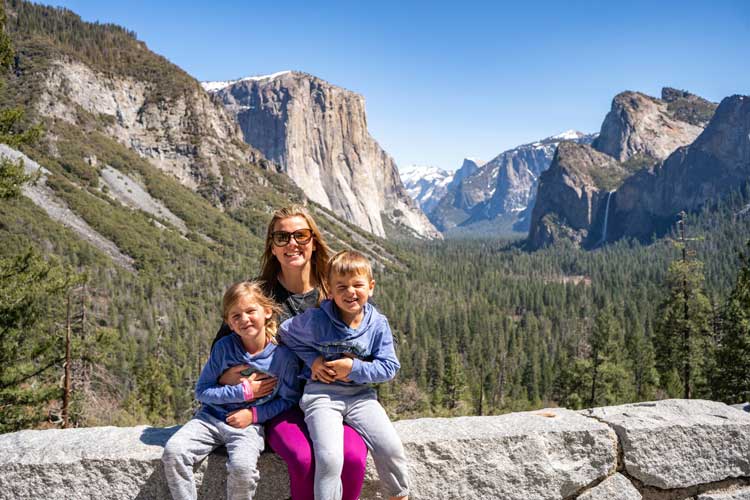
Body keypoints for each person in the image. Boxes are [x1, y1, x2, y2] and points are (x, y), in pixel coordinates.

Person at [213, 205, 369, 500]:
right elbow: (222, 348)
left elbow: (371, 335)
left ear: (313, 241)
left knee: (353, 459)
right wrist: (232, 379)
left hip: (334, 401)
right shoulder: (259, 294)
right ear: (271, 246)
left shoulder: (334, 288)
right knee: (302, 459)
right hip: (282, 406)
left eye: (300, 235)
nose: (292, 243)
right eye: (282, 237)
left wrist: (353, 367)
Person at [280, 250, 410, 500]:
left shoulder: (377, 324)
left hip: (361, 397)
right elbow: (287, 334)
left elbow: (389, 367)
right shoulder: (317, 319)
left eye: (357, 285)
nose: (350, 292)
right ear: (329, 289)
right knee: (329, 457)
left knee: (390, 447)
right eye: (341, 286)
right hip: (321, 396)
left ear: (371, 287)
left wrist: (353, 369)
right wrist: (314, 361)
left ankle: (398, 495)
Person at [162, 281, 301, 500]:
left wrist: (253, 414)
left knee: (243, 468)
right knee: (174, 452)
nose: (244, 319)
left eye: (250, 311)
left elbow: (289, 399)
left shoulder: (283, 358)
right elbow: (202, 391)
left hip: (250, 426)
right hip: (210, 418)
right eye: (236, 316)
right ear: (229, 323)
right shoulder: (224, 348)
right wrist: (242, 393)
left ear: (267, 312)